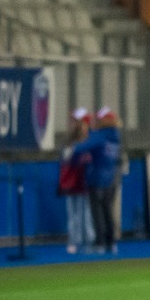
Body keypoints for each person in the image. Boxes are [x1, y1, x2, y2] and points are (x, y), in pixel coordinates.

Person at [85, 107, 124, 256]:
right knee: (108, 210)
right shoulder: (116, 135)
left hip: (98, 178)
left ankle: (100, 243)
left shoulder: (101, 135)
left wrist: (72, 149)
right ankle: (111, 242)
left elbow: (84, 146)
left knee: (98, 212)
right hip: (111, 179)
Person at [57, 108, 92, 255]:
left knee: (86, 214)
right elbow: (65, 160)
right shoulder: (68, 140)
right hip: (72, 182)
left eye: (75, 121)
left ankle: (89, 242)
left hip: (86, 181)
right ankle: (74, 241)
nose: (72, 124)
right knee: (74, 215)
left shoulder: (91, 139)